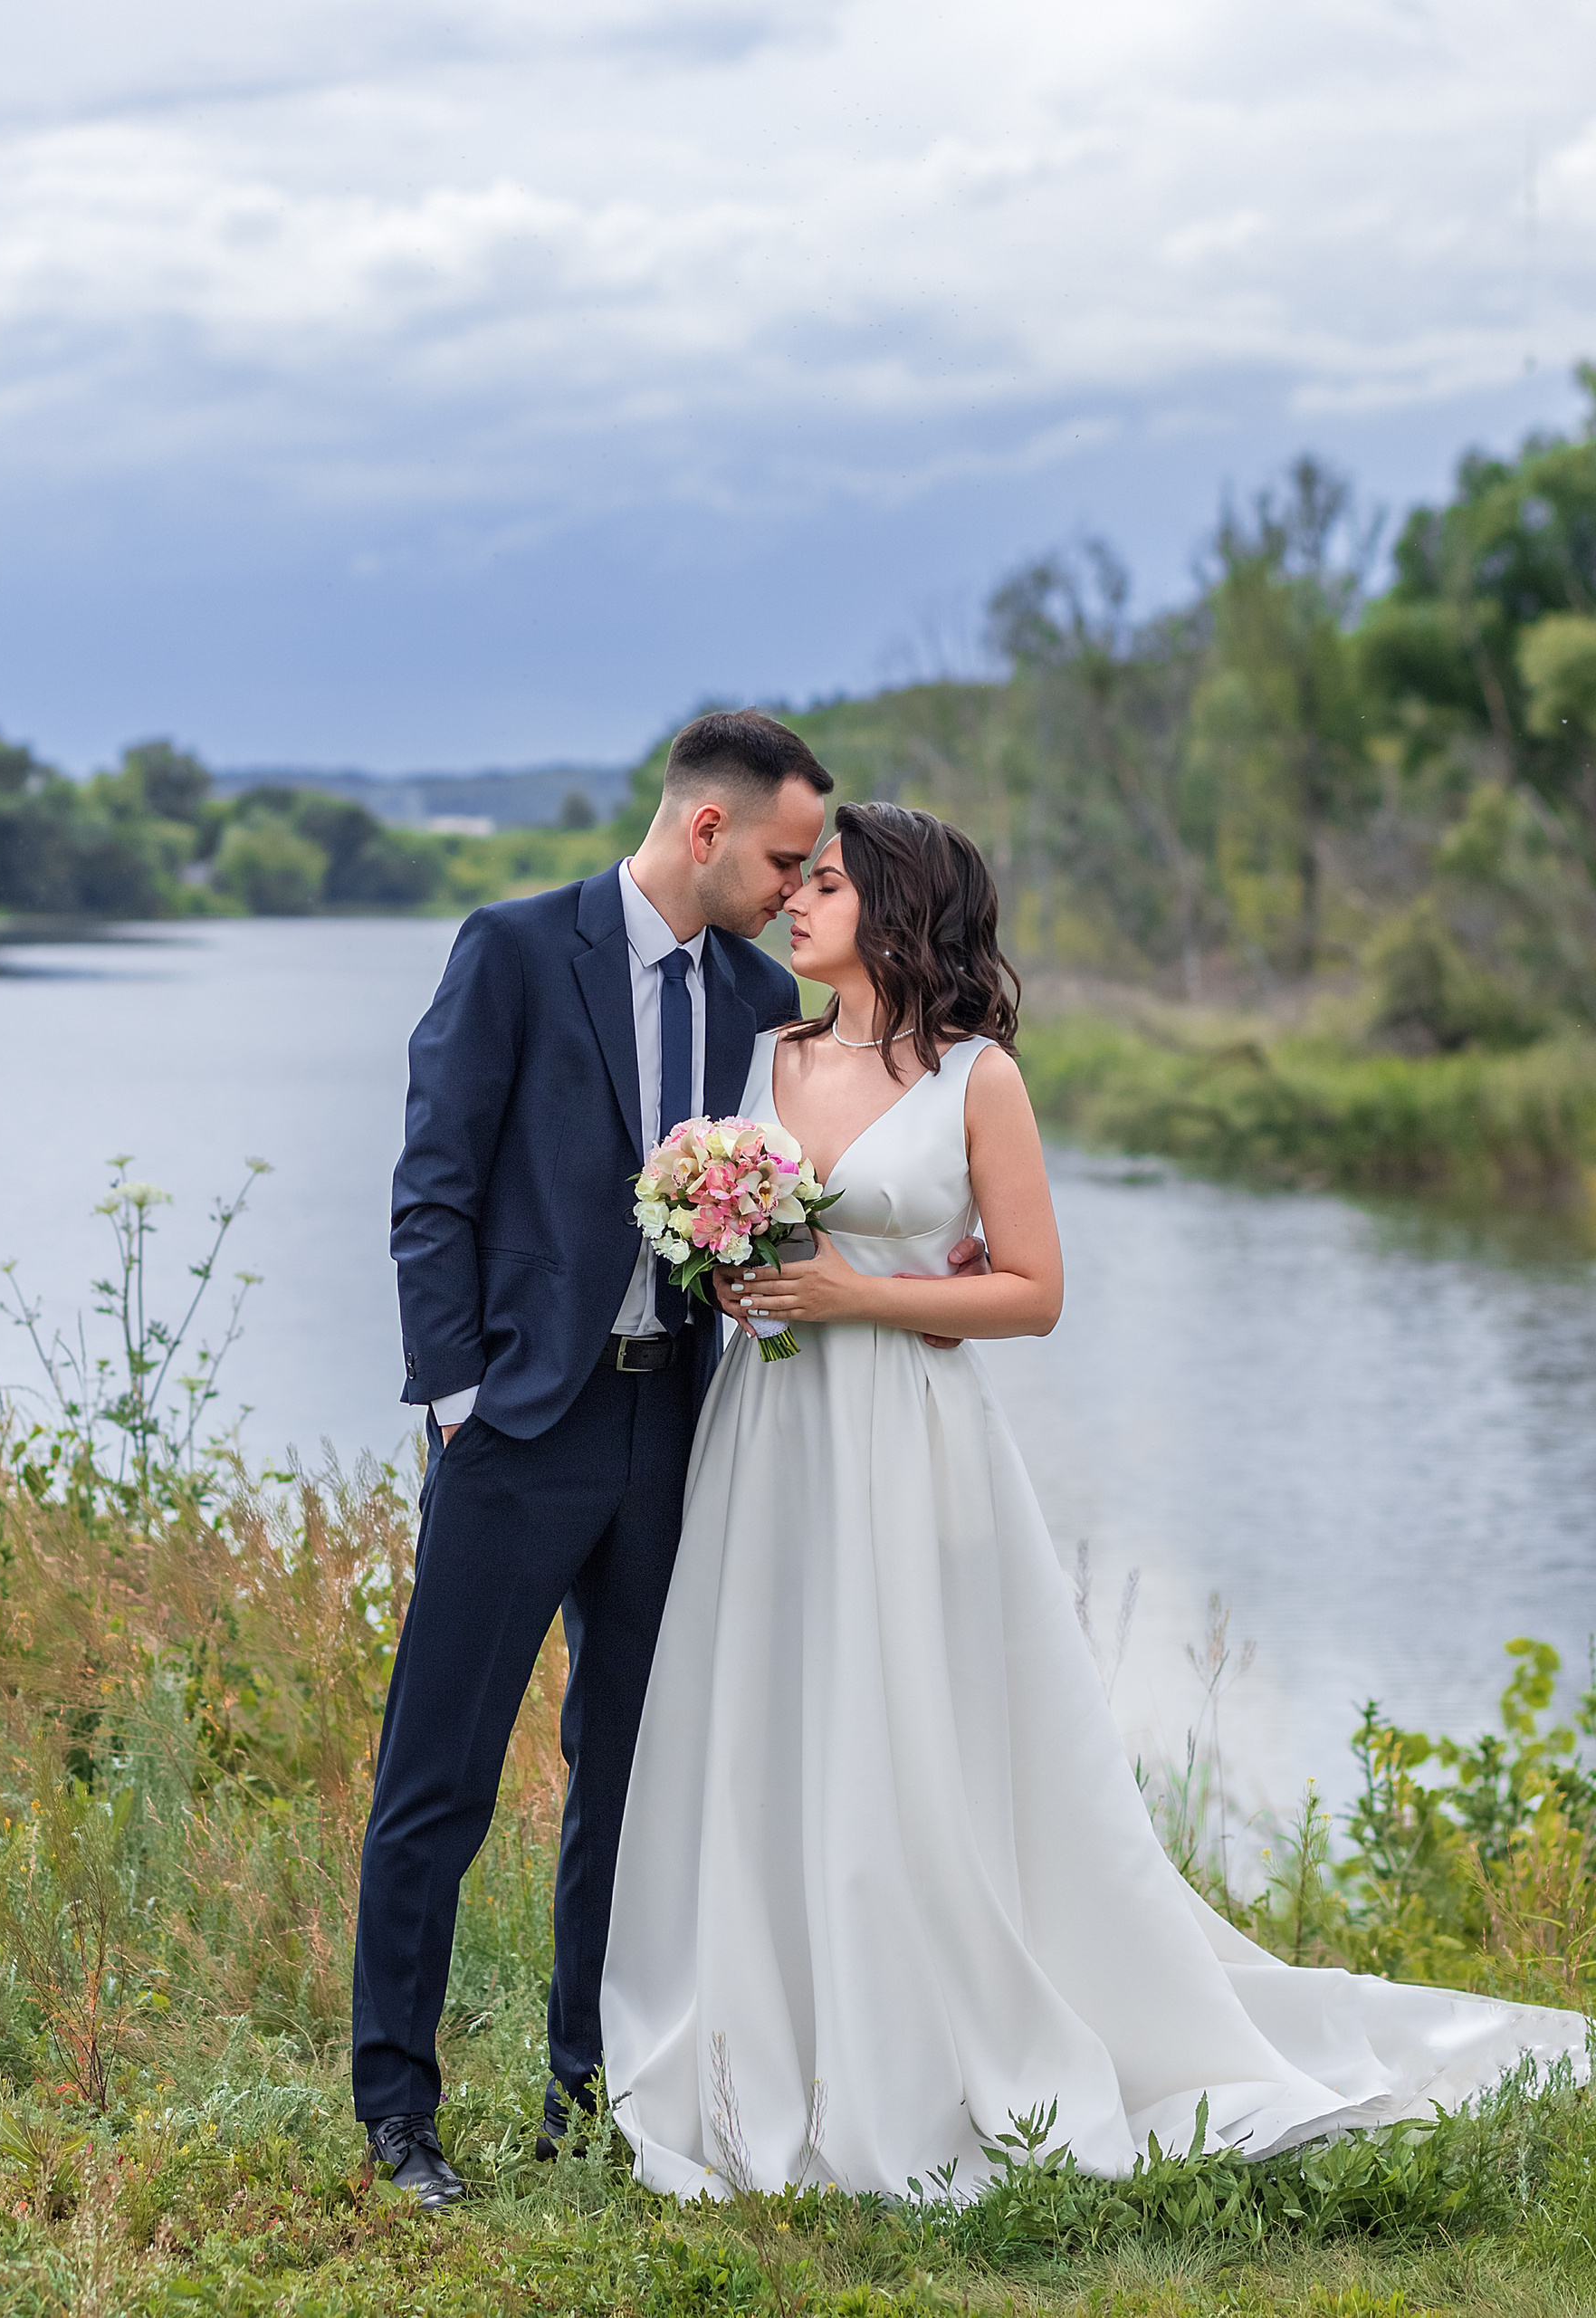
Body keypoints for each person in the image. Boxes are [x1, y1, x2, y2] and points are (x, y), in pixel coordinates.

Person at [599, 800, 1588, 2200]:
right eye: (797, 879)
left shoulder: (976, 1079)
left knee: (910, 1735)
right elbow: (731, 1243)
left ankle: (931, 2047)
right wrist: (729, 1263)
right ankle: (761, 2044)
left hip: (912, 1444)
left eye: (826, 884)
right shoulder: (759, 1055)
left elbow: (1034, 1290)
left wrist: (857, 1292)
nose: (797, 903)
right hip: (770, 1437)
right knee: (770, 1716)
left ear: (898, 912)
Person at [353, 711, 832, 2208]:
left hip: (674, 1432)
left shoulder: (760, 996)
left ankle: (592, 2087)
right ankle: (397, 2112)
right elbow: (432, 1183)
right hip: (518, 1432)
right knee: (439, 1776)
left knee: (629, 1777)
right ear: (705, 830)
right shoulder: (509, 950)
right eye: (781, 858)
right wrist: (457, 1396)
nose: (794, 889)